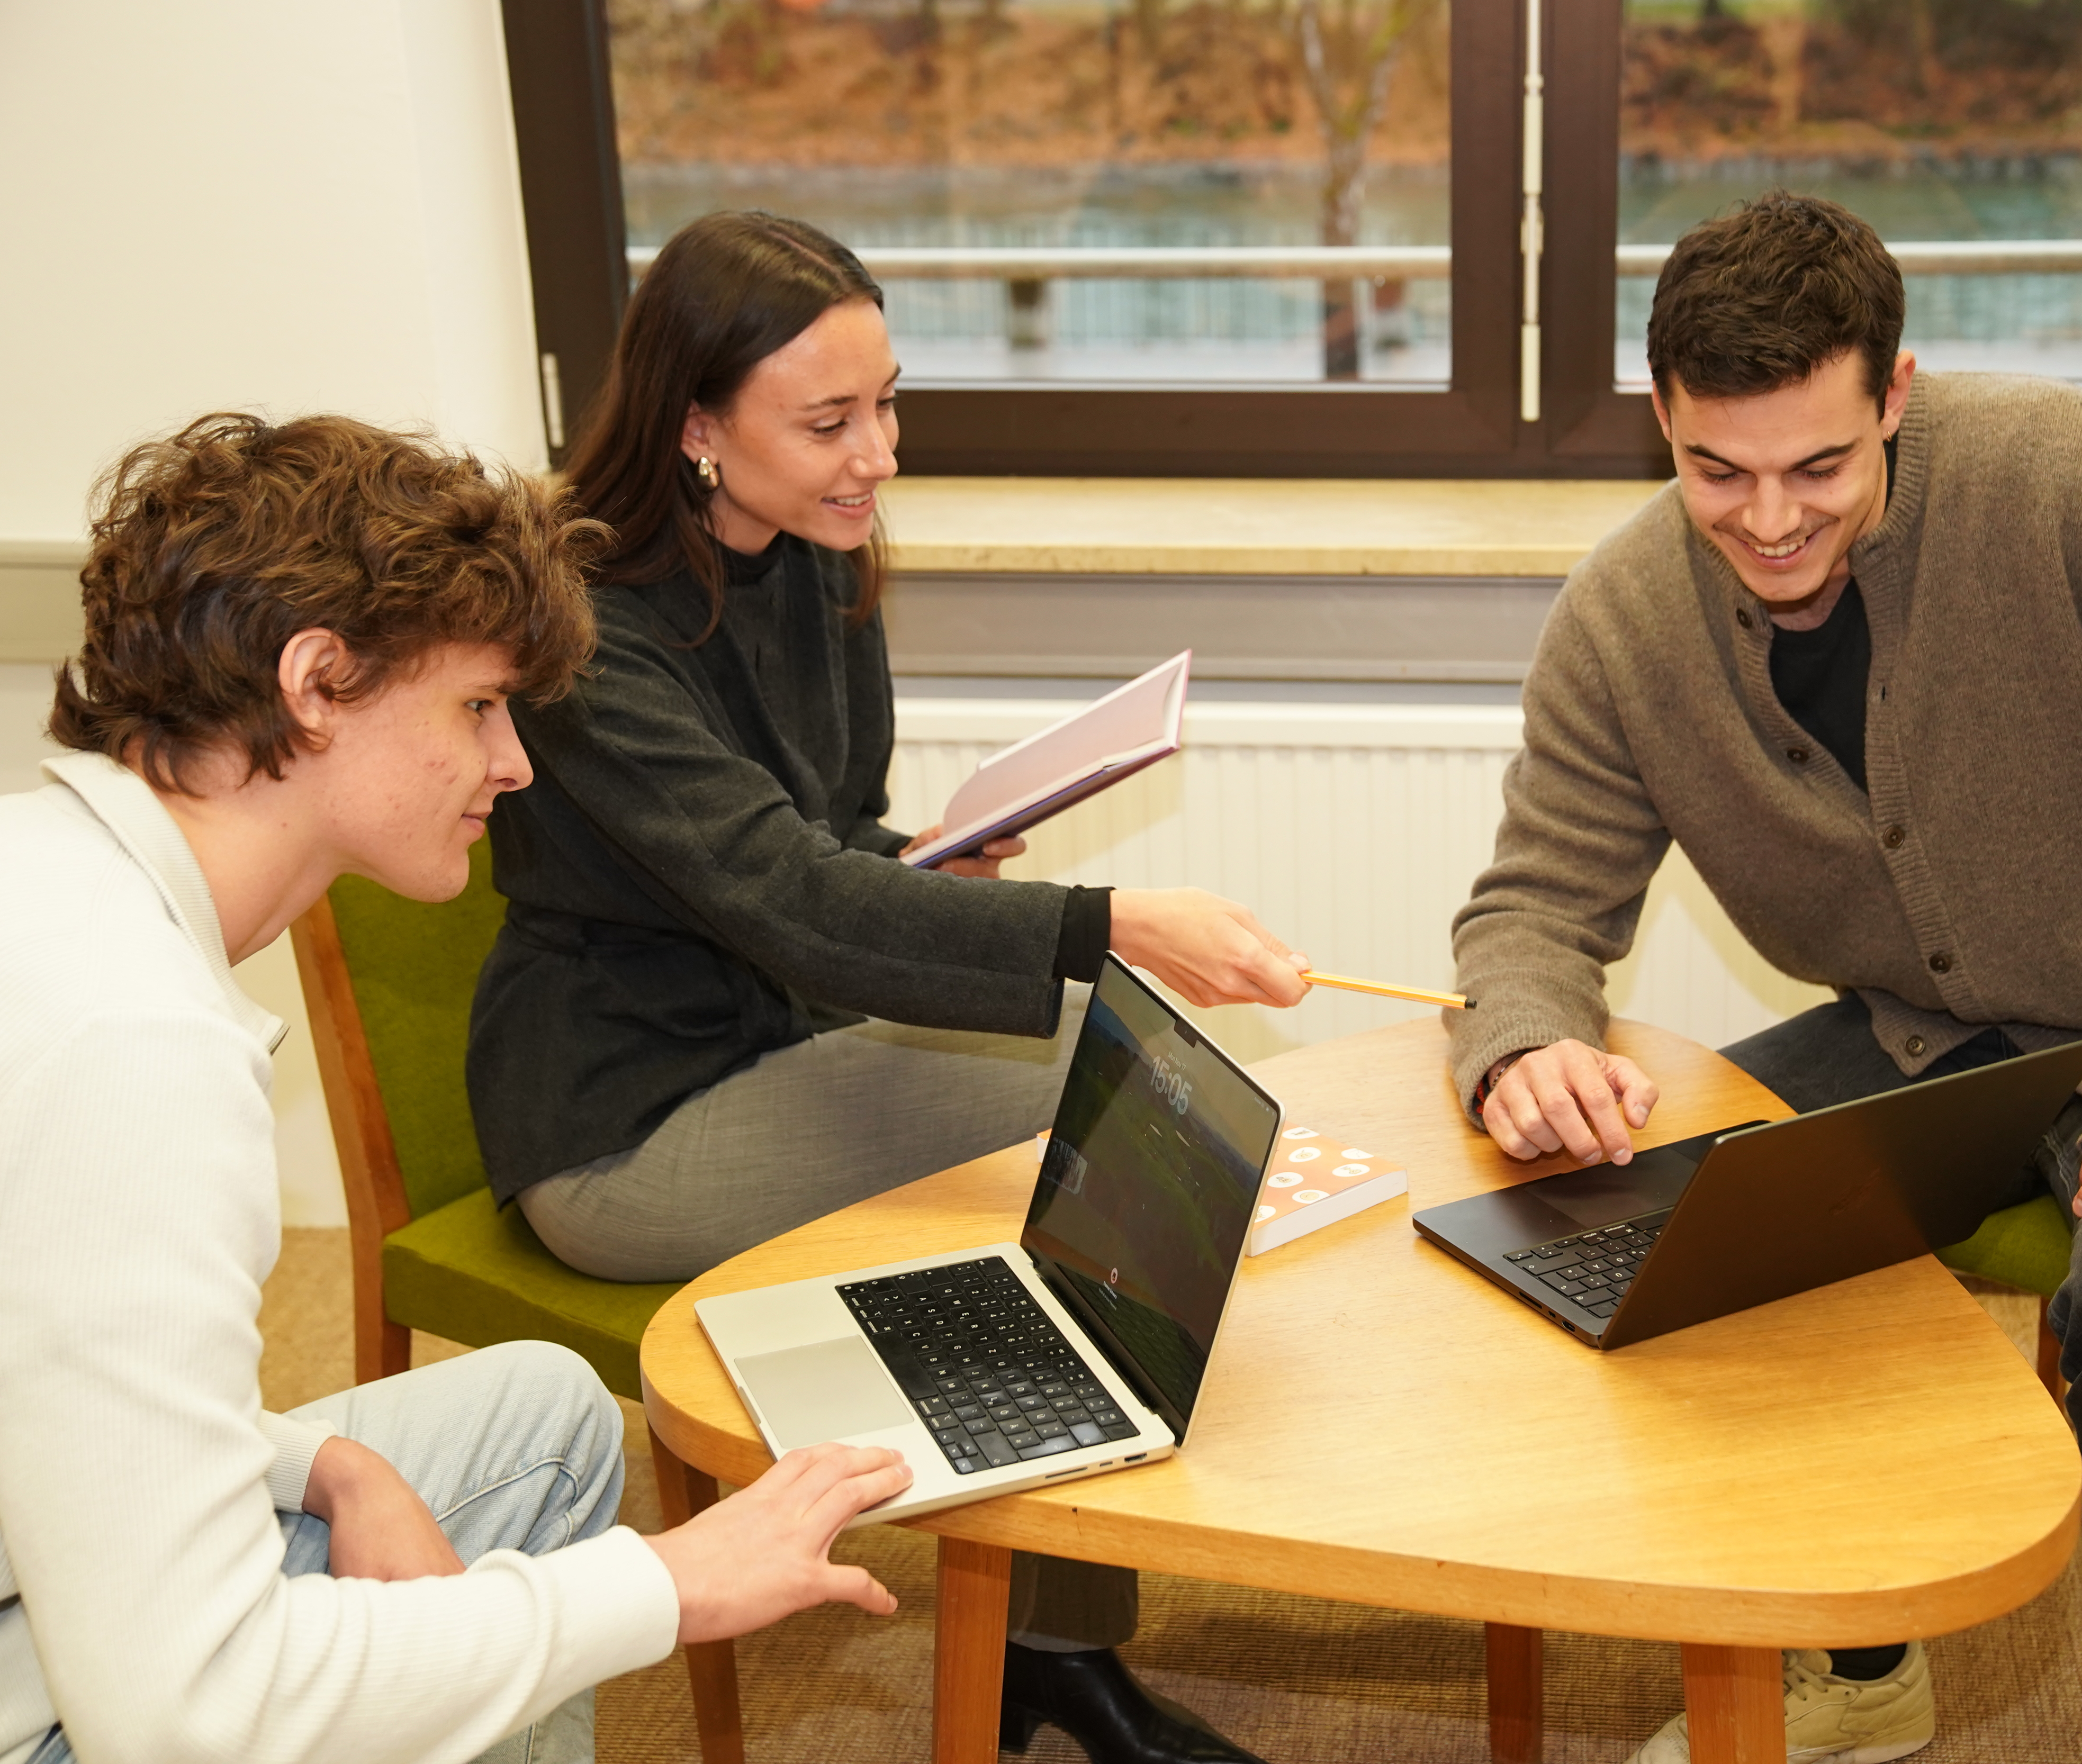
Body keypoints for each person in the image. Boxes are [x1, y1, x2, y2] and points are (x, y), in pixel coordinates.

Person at [1445, 194, 2082, 1764]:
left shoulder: (2067, 480)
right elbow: (1536, 902)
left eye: (1820, 464)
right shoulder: (1623, 616)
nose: (1767, 520)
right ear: (1663, 424)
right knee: (1654, 1234)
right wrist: (1528, 1037)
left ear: (1896, 393)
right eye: (1713, 469)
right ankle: (1863, 1665)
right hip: (1913, 1036)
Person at [464, 209, 1301, 1764]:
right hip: (624, 1118)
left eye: (890, 404)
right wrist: (1101, 916)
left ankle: (1045, 1641)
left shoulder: (812, 556)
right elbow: (786, 899)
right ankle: (1052, 1645)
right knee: (1103, 1071)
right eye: (831, 421)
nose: (881, 455)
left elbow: (816, 834)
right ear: (699, 428)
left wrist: (926, 857)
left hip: (787, 1029)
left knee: (1098, 1071)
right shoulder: (580, 625)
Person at [0, 412, 924, 1764]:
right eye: (479, 706)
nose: (516, 762)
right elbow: (190, 1714)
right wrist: (670, 1582)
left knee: (540, 1412)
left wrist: (323, 1461)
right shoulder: (132, 1048)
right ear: (317, 682)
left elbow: (54, 1379)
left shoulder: (48, 868)